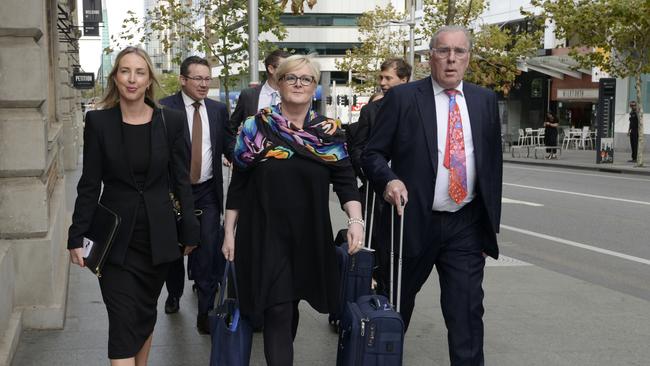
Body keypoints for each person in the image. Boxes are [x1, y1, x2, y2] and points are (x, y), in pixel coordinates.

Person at [362, 25, 503, 365]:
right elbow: (372, 155)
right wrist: (390, 181)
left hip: (464, 225)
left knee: (467, 313)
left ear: (469, 57)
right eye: (443, 51)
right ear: (430, 57)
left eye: (459, 52)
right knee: (396, 309)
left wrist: (487, 229)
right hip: (411, 223)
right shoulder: (403, 98)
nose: (451, 60)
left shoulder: (484, 101)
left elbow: (492, 167)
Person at [221, 54, 364, 366]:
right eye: (291, 78)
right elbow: (239, 184)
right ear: (279, 82)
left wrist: (356, 220)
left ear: (314, 87)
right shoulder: (255, 127)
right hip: (264, 232)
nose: (299, 84)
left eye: (307, 79)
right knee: (278, 308)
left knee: (290, 304)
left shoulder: (328, 130)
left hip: (308, 233)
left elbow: (345, 180)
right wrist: (228, 232)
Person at [67, 46, 200, 366]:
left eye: (140, 72)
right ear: (115, 77)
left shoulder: (172, 121)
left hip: (158, 237)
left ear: (148, 80)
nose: (132, 78)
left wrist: (191, 231)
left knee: (143, 311)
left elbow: (181, 180)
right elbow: (89, 183)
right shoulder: (98, 122)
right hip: (113, 240)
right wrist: (76, 235)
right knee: (122, 317)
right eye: (125, 71)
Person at [159, 56, 233, 334]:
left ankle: (205, 312)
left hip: (207, 193)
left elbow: (228, 144)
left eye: (207, 78)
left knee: (207, 252)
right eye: (198, 78)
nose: (204, 84)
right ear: (182, 80)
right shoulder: (165, 108)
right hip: (174, 194)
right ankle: (174, 292)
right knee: (175, 252)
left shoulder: (217, 110)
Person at [349, 58, 412, 180]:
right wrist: (368, 172)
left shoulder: (418, 107)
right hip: (379, 185)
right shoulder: (369, 111)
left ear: (404, 80)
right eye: (381, 78)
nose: (382, 83)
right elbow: (358, 148)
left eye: (388, 78)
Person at [226, 49, 291, 160]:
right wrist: (234, 154)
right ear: (271, 69)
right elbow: (231, 128)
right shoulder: (248, 96)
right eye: (285, 68)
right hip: (252, 164)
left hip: (285, 163)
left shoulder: (293, 96)